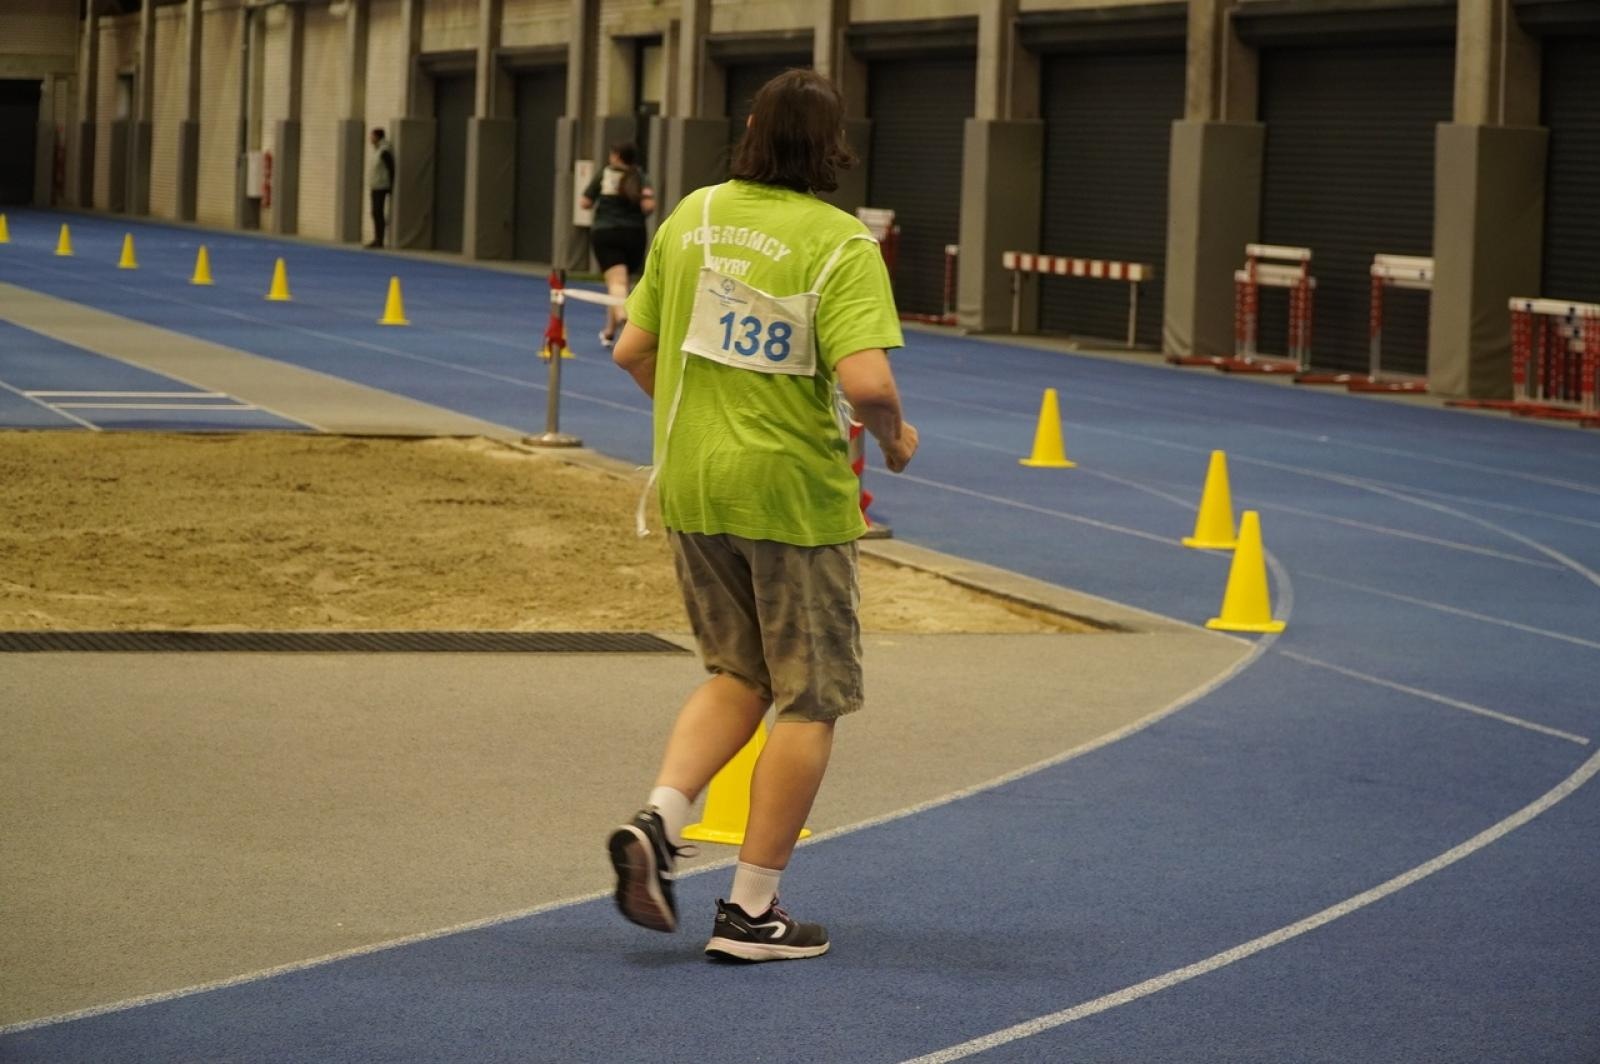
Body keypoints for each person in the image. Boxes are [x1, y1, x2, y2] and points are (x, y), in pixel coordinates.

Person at [606, 69, 918, 963]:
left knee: (736, 671)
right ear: (833, 148)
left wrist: (700, 415)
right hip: (789, 495)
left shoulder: (694, 217)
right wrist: (893, 436)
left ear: (747, 130)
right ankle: (750, 911)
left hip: (694, 482)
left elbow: (632, 347)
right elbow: (866, 382)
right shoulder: (839, 244)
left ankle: (662, 819)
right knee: (810, 697)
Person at [580, 143, 655, 346]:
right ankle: (609, 332)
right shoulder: (640, 176)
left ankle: (624, 316)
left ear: (616, 156)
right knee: (620, 284)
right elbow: (649, 205)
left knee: (617, 284)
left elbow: (584, 202)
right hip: (634, 234)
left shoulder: (605, 173)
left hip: (607, 232)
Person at [367, 128, 394, 249]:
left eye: (372, 136)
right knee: (375, 212)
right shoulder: (377, 151)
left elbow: (391, 169)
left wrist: (391, 186)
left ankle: (380, 240)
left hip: (382, 186)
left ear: (378, 137)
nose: (370, 139)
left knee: (378, 212)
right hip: (375, 185)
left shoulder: (384, 152)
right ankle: (377, 238)